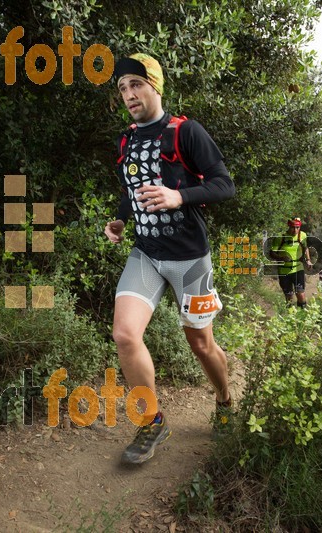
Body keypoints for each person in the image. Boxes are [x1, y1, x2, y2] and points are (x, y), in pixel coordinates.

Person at [103, 53, 236, 464]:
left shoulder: (186, 132)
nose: (129, 94)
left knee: (200, 343)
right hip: (146, 253)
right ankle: (152, 422)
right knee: (125, 335)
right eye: (123, 87)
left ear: (155, 86)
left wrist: (180, 195)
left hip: (189, 258)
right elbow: (132, 188)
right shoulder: (127, 139)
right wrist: (121, 221)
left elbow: (224, 185)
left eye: (136, 84)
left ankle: (225, 398)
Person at [269, 217, 313, 308]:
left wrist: (308, 260)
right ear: (289, 226)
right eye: (293, 227)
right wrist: (281, 258)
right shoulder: (280, 237)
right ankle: (291, 318)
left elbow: (305, 248)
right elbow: (272, 253)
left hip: (298, 269)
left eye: (297, 228)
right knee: (289, 297)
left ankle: (303, 316)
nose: (295, 230)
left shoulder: (302, 235)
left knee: (300, 294)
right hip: (284, 271)